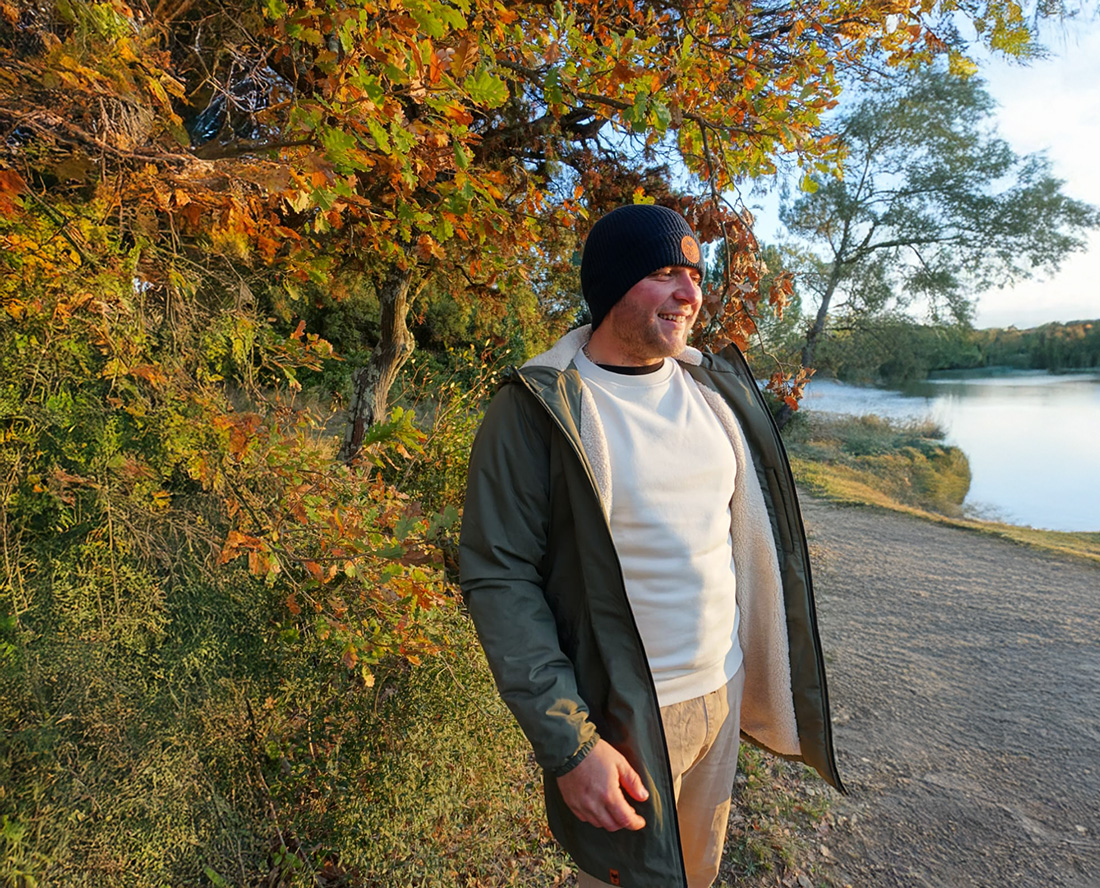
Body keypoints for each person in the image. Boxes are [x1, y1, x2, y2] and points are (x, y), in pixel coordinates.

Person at [459, 204, 842, 888]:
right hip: (627, 715)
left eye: (694, 275)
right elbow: (499, 579)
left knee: (697, 873)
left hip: (720, 690)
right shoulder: (537, 409)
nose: (691, 294)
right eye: (666, 273)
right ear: (612, 285)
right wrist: (571, 746)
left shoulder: (714, 393)